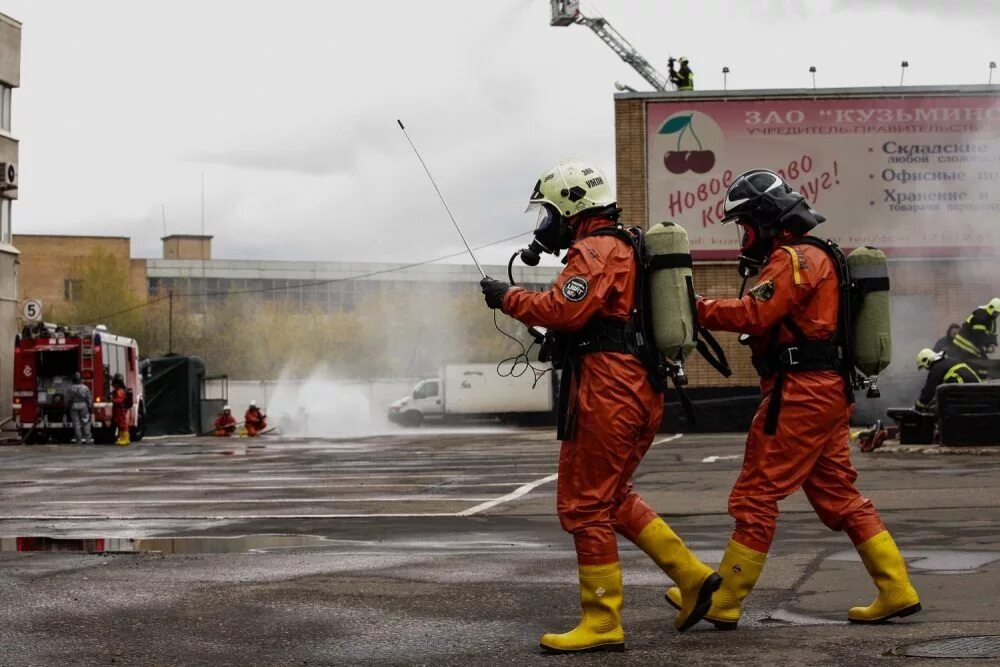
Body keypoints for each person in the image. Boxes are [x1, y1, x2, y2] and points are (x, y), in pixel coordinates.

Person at [479, 159, 720, 653]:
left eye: (549, 212)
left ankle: (603, 620)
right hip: (637, 390)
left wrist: (508, 297)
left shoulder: (595, 249)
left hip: (609, 393)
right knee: (612, 497)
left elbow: (565, 310)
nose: (545, 223)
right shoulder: (626, 246)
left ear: (571, 208)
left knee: (584, 504)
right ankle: (692, 577)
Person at [669, 169, 920, 629]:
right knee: (839, 496)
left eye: (745, 225)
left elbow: (756, 313)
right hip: (827, 391)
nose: (744, 237)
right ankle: (896, 588)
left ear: (766, 219)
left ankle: (725, 599)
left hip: (800, 393)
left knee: (755, 495)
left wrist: (696, 307)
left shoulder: (792, 258)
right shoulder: (820, 255)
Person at [914, 348, 981, 413]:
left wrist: (918, 407)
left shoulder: (937, 368)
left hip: (964, 399)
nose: (926, 369)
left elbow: (928, 392)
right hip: (979, 394)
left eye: (924, 367)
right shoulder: (953, 361)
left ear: (926, 361)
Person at [67, 371, 94, 444]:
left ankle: (78, 439)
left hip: (74, 405)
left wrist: (67, 407)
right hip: (83, 405)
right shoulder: (85, 388)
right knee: (86, 422)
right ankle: (88, 439)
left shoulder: (70, 388)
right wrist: (90, 407)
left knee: (76, 423)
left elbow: (68, 400)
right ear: (80, 379)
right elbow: (89, 399)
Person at [110, 373, 130, 446]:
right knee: (120, 424)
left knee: (122, 424)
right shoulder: (119, 390)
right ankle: (122, 438)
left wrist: (112, 399)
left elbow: (119, 401)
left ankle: (126, 439)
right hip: (118, 409)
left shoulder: (120, 391)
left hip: (120, 409)